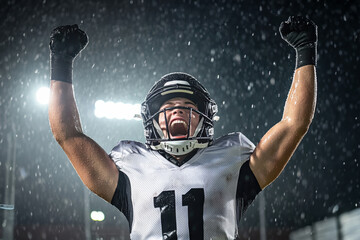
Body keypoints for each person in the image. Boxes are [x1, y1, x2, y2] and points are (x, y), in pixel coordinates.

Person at [48, 16, 317, 240]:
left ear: (204, 117)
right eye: (167, 107)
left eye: (187, 105)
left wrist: (305, 51)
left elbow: (294, 125)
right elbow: (68, 136)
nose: (176, 110)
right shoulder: (132, 168)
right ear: (151, 120)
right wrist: (61, 63)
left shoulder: (231, 162)